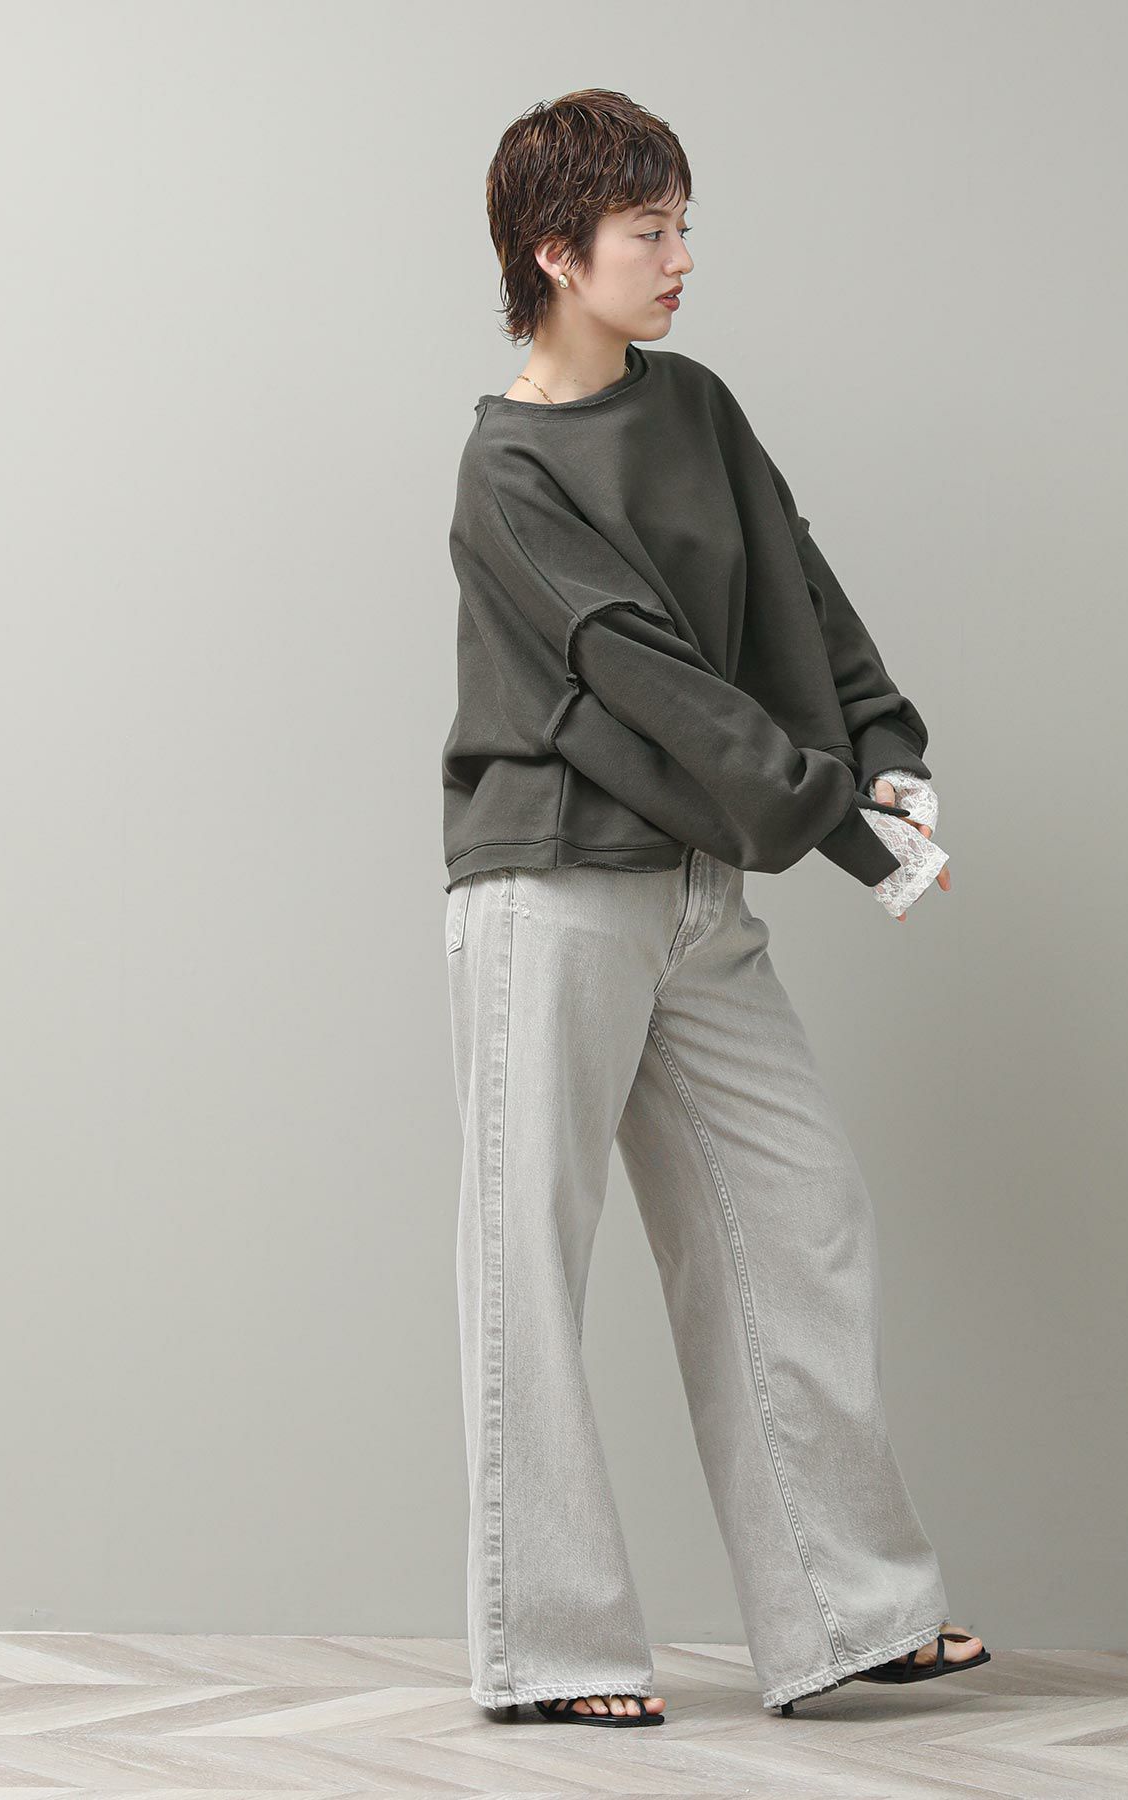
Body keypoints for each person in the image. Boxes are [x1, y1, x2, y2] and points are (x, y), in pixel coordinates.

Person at [440, 88, 990, 1727]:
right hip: (554, 885)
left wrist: (885, 748)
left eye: (684, 225)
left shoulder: (695, 405)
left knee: (797, 1216)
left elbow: (799, 585)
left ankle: (846, 1615)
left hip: (695, 888)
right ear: (558, 253)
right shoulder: (508, 469)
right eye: (649, 231)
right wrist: (847, 836)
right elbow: (649, 683)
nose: (682, 258)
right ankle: (550, 1653)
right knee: (529, 1267)